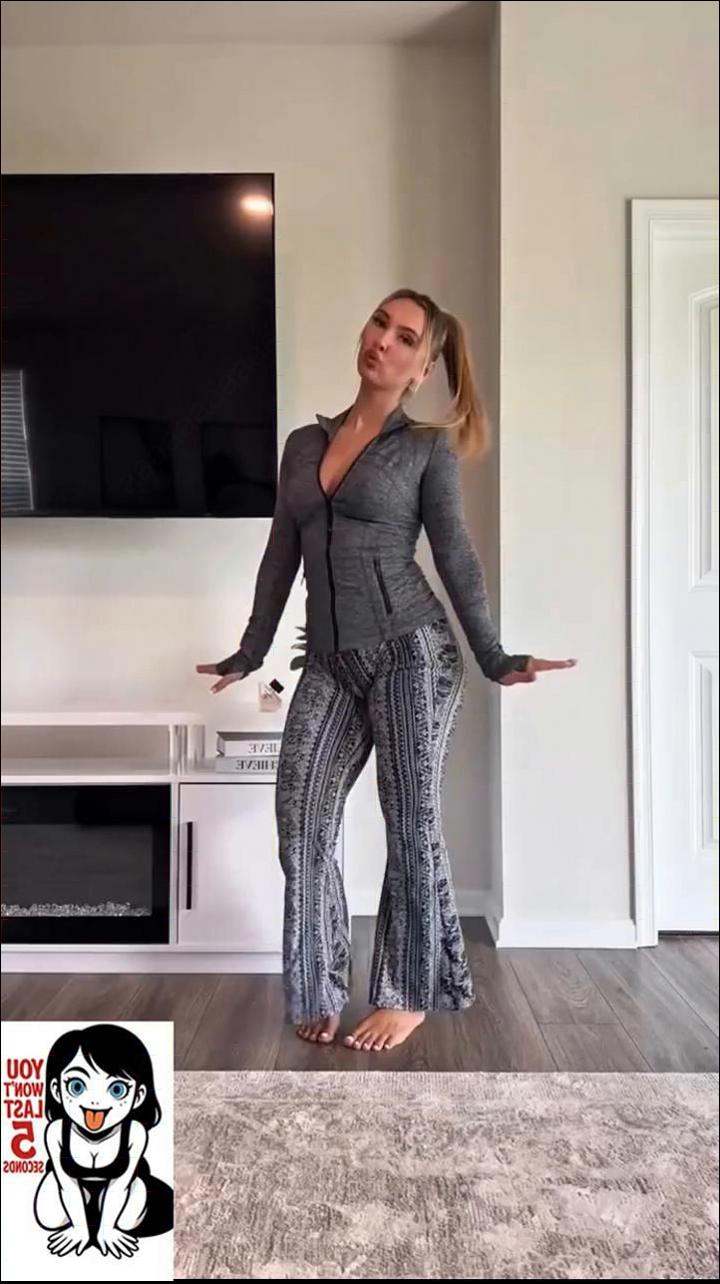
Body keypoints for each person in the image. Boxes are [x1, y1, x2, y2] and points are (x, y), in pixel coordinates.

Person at [197, 288, 577, 1052]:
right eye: (380, 323)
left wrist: (493, 653)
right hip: (330, 663)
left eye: (405, 338)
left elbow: (456, 555)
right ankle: (319, 983)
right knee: (301, 818)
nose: (383, 341)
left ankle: (409, 991)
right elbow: (281, 554)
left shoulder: (426, 448)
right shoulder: (304, 445)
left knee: (410, 822)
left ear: (422, 368)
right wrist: (252, 647)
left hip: (413, 654)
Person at [34, 1023, 173, 1257]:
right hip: (73, 1187)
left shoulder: (135, 1132)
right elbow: (67, 1185)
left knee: (127, 1221)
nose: (96, 1101)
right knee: (48, 1217)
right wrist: (80, 1230)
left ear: (138, 1096)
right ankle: (90, 1212)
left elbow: (121, 1185)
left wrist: (106, 1230)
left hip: (122, 1185)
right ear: (57, 1090)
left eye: (117, 1089)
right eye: (77, 1086)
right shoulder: (56, 1131)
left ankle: (100, 1215)